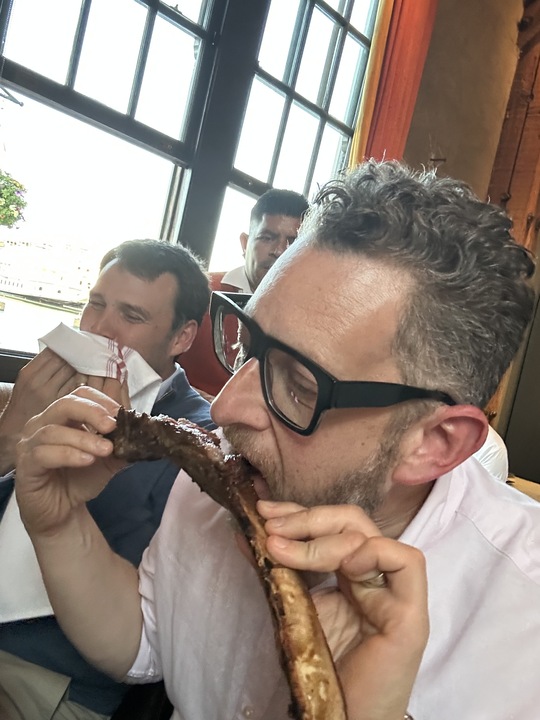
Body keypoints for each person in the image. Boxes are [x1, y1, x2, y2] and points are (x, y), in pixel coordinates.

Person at [14, 161, 540, 719]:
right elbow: (146, 640)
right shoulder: (244, 464)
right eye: (249, 346)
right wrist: (60, 527)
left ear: (433, 442)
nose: (225, 409)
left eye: (301, 385)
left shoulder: (521, 624)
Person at [0, 239, 215, 719]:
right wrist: (10, 435)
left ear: (181, 338)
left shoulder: (197, 441)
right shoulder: (39, 395)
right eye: (95, 304)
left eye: (131, 316)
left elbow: (153, 608)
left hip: (57, 674)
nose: (99, 328)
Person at [180, 188, 309, 397]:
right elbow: (157, 372)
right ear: (244, 243)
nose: (279, 251)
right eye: (267, 237)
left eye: (293, 242)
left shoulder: (310, 317)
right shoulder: (196, 290)